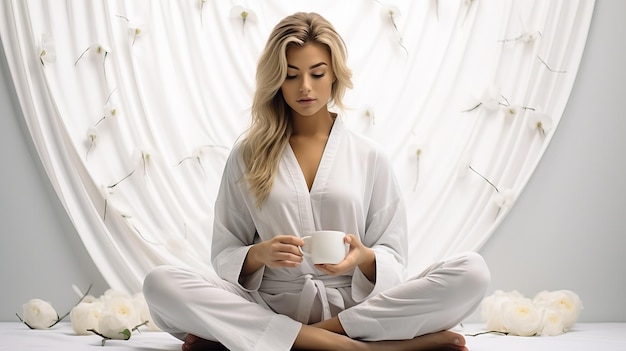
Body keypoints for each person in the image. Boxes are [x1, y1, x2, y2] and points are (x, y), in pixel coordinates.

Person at [143, 12, 490, 351]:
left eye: (317, 73)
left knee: (471, 273)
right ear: (276, 80)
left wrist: (362, 258)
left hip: (352, 309)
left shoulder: (370, 156)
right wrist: (259, 254)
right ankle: (363, 348)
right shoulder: (247, 155)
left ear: (334, 75)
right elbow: (224, 252)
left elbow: (393, 256)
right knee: (161, 284)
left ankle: (284, 339)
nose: (305, 87)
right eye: (291, 75)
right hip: (268, 304)